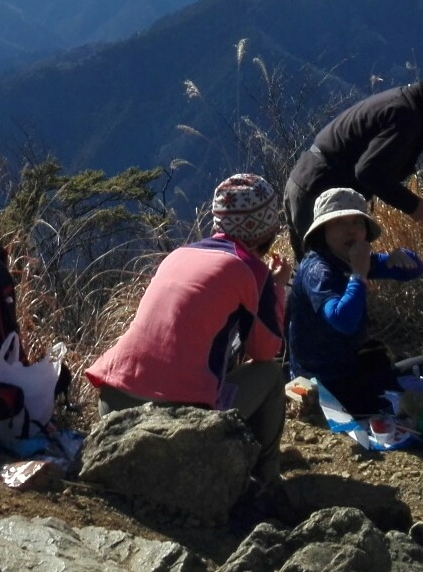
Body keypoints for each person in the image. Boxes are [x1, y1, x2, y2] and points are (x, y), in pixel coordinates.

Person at [86, 173, 291, 498]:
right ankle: (265, 483)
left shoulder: (178, 254)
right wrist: (277, 289)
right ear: (267, 229)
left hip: (113, 404)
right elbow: (266, 351)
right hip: (179, 418)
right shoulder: (252, 269)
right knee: (270, 375)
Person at [282, 57, 423, 254]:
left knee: (314, 278)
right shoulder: (406, 116)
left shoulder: (414, 105)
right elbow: (369, 172)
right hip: (318, 191)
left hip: (307, 182)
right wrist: (414, 206)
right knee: (324, 279)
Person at [285, 188, 423, 415]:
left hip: (347, 363)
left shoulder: (349, 258)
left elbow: (413, 270)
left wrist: (400, 254)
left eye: (356, 222)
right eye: (339, 222)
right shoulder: (318, 270)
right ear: (323, 230)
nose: (350, 230)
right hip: (320, 379)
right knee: (398, 404)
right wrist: (359, 274)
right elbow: (343, 320)